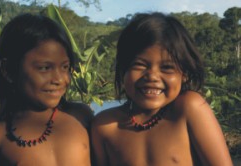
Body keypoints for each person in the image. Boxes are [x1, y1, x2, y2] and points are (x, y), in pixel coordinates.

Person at [91, 12, 233, 166]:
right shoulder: (104, 126)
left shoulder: (188, 108)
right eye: (140, 65)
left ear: (184, 74)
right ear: (123, 69)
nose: (152, 76)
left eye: (167, 67)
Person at [0, 13, 93, 166]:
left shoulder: (81, 117)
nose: (59, 79)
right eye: (45, 68)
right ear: (8, 70)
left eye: (65, 67)